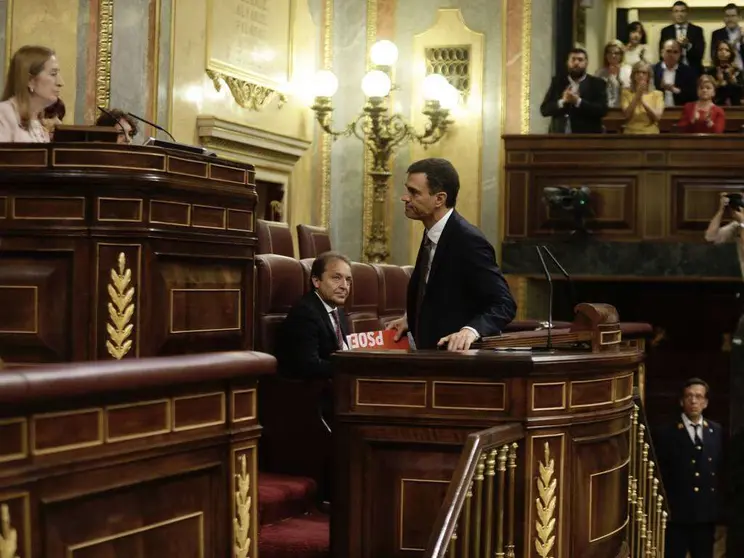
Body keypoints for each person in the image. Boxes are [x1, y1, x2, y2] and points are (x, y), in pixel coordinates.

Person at [386, 158, 516, 351]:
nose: (405, 198)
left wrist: (470, 331)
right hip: (431, 358)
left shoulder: (468, 240)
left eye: (414, 193)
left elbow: (504, 304)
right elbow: (442, 295)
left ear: (439, 199)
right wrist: (412, 320)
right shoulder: (431, 233)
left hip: (458, 364)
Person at [656, 378, 723, 558]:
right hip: (677, 516)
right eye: (689, 396)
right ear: (681, 401)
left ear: (706, 402)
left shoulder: (716, 431)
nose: (694, 401)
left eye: (699, 396)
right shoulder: (666, 433)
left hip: (705, 516)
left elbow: (720, 470)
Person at [275, 251, 352, 378]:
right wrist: (352, 368)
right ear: (316, 281)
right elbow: (309, 365)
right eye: (336, 278)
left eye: (348, 280)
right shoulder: (305, 312)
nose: (345, 286)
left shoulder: (338, 311)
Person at [0, 45, 63, 143]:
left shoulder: (38, 123)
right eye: (53, 74)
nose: (60, 82)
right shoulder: (4, 114)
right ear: (30, 81)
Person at [540, 48, 608, 134]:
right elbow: (544, 110)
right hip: (558, 138)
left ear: (586, 63)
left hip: (587, 138)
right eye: (573, 59)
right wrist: (562, 101)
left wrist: (578, 101)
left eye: (580, 60)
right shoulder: (557, 82)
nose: (576, 63)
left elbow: (602, 110)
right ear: (567, 62)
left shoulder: (597, 84)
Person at [658, 1, 705, 75]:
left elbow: (700, 54)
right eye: (676, 11)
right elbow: (661, 55)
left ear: (687, 13)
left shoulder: (697, 30)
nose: (679, 14)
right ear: (672, 14)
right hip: (672, 70)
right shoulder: (666, 31)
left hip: (692, 70)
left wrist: (688, 46)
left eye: (682, 11)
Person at [704, 192, 744, 277]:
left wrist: (743, 223)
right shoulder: (737, 226)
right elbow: (710, 237)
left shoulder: (741, 225)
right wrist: (721, 210)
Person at [621, 62, 664, 134]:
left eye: (644, 73)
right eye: (637, 72)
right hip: (631, 132)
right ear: (633, 76)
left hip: (651, 133)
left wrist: (642, 100)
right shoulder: (626, 93)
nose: (640, 75)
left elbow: (657, 117)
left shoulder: (657, 94)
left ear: (649, 76)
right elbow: (626, 115)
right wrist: (637, 96)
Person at [654, 39, 698, 107]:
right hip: (656, 111)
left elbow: (693, 96)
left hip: (680, 111)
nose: (671, 55)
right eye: (668, 51)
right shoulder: (654, 70)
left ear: (680, 54)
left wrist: (674, 90)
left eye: (675, 52)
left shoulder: (688, 72)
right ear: (662, 52)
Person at [705, 40, 744, 106]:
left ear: (731, 53)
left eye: (727, 50)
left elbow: (741, 92)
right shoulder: (710, 72)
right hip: (716, 105)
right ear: (716, 53)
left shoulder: (737, 71)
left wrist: (733, 80)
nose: (723, 52)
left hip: (735, 107)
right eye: (720, 50)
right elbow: (707, 93)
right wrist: (719, 83)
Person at [595, 41, 631, 108]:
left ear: (621, 55)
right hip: (604, 109)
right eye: (609, 53)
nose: (613, 56)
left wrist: (618, 78)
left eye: (616, 53)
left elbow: (629, 93)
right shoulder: (599, 72)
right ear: (605, 55)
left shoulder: (628, 70)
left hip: (622, 109)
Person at [711, 3, 744, 70]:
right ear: (723, 17)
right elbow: (714, 56)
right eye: (727, 16)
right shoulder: (717, 34)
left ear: (739, 17)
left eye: (733, 16)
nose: (730, 19)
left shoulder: (743, 33)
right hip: (725, 72)